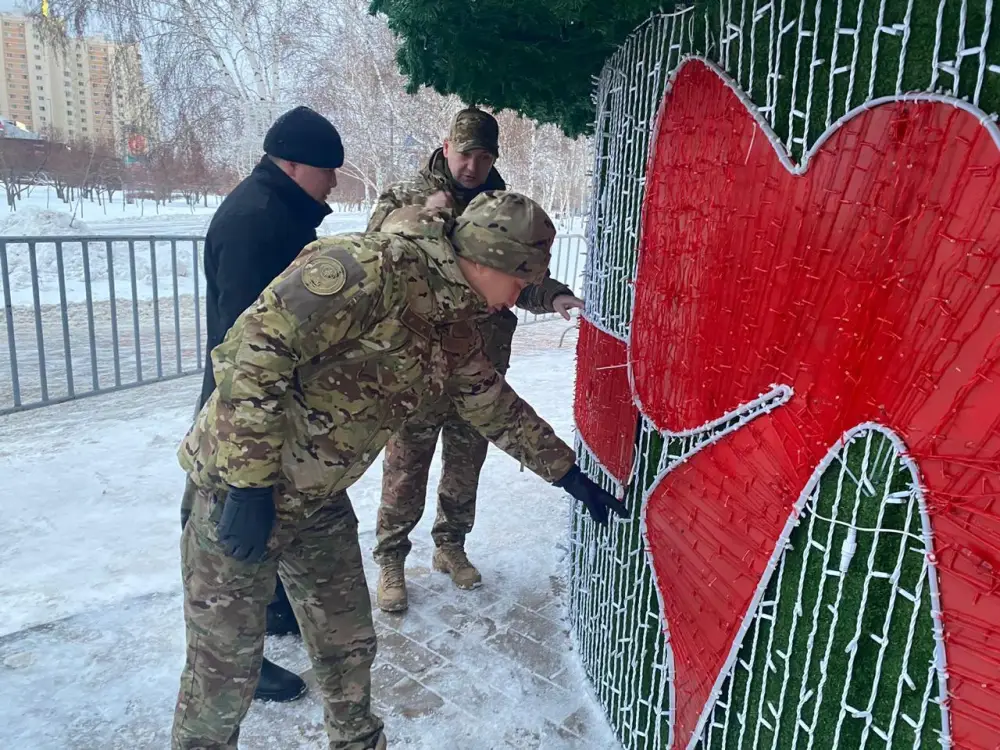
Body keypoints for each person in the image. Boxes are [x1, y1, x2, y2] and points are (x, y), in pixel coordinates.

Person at [170, 191, 628, 750]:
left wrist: (567, 475)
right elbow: (254, 351)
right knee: (223, 671)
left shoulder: (451, 318)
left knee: (348, 643)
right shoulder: (368, 268)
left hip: (318, 498)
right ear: (488, 261)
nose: (518, 296)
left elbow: (488, 400)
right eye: (520, 280)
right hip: (237, 493)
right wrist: (246, 487)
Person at [367, 107, 584, 612]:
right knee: (406, 466)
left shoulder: (501, 205)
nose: (473, 166)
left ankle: (450, 546)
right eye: (466, 154)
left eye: (484, 157)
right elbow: (385, 258)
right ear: (446, 147)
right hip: (420, 363)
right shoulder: (408, 196)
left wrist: (553, 295)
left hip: (481, 360)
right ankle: (392, 558)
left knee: (465, 466)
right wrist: (435, 218)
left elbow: (515, 275)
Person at [179, 104, 343, 704]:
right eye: (327, 170)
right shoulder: (256, 221)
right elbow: (250, 348)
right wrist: (246, 468)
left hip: (262, 403)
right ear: (293, 164)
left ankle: (271, 611)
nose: (334, 182)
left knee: (260, 522)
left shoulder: (282, 211)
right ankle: (233, 664)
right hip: (241, 409)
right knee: (225, 538)